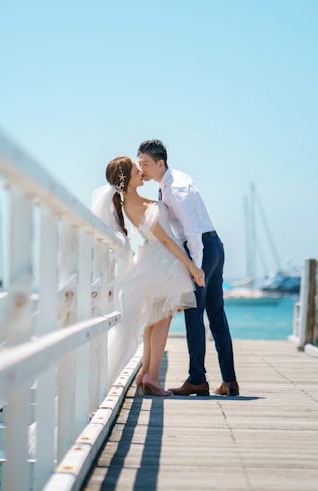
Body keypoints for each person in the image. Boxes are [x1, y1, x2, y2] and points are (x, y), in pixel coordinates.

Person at [91, 156, 205, 397]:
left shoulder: (134, 202)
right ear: (127, 180)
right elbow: (164, 239)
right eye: (135, 170)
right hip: (163, 262)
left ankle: (145, 374)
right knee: (162, 319)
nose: (141, 172)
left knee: (154, 320)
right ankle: (152, 376)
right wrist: (191, 266)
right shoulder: (138, 206)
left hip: (154, 261)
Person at [137, 139, 239, 397]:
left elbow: (191, 230)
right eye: (139, 164)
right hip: (214, 245)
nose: (142, 169)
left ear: (161, 163)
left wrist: (195, 266)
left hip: (202, 247)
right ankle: (229, 381)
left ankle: (197, 380)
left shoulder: (174, 189)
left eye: (146, 164)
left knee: (195, 313)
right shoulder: (174, 179)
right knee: (216, 314)